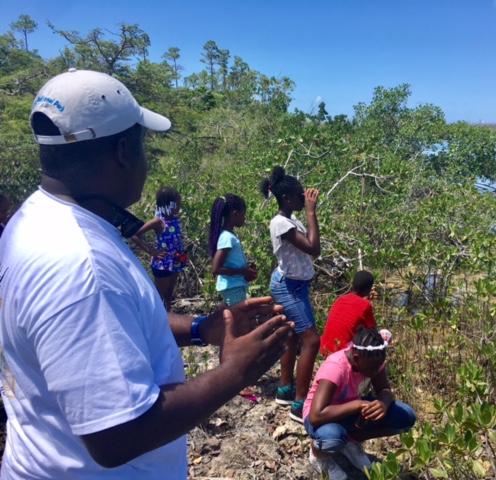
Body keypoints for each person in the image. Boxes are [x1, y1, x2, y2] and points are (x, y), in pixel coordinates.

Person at [0, 68, 292, 479]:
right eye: (143, 147)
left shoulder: (35, 218)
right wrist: (234, 373)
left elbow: (117, 323)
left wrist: (202, 328)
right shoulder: (81, 265)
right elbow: (117, 435)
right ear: (122, 151)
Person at [304, 326, 416, 479]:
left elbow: (384, 389)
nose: (376, 371)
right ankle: (318, 455)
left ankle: (351, 442)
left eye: (379, 367)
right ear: (356, 358)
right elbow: (316, 415)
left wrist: (383, 403)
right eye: (372, 369)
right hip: (321, 416)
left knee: (406, 417)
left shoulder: (372, 360)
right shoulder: (336, 367)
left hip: (349, 410)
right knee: (333, 437)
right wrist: (357, 405)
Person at [260, 165, 321, 423]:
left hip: (295, 285)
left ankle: (285, 390)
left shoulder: (289, 220)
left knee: (294, 337)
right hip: (288, 287)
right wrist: (310, 212)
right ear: (286, 199)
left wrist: (305, 212)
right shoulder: (280, 223)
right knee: (312, 341)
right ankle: (300, 404)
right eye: (299, 195)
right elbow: (313, 248)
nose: (302, 198)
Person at [131, 186, 187, 310]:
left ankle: (168, 316)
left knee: (169, 294)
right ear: (168, 204)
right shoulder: (158, 222)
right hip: (163, 262)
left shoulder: (175, 220)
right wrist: (150, 251)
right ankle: (155, 318)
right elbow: (134, 235)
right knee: (159, 295)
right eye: (177, 204)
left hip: (176, 260)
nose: (179, 207)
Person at [209, 194, 257, 306]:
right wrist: (243, 271)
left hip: (233, 285)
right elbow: (216, 269)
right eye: (243, 215)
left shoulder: (228, 235)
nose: (244, 219)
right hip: (232, 286)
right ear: (235, 214)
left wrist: (245, 267)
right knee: (240, 319)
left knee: (233, 318)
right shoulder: (227, 237)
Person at [320, 270, 378, 356]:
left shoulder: (340, 299)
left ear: (352, 284)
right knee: (384, 335)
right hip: (342, 352)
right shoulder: (365, 305)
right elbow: (373, 331)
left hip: (325, 348)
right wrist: (369, 304)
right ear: (368, 289)